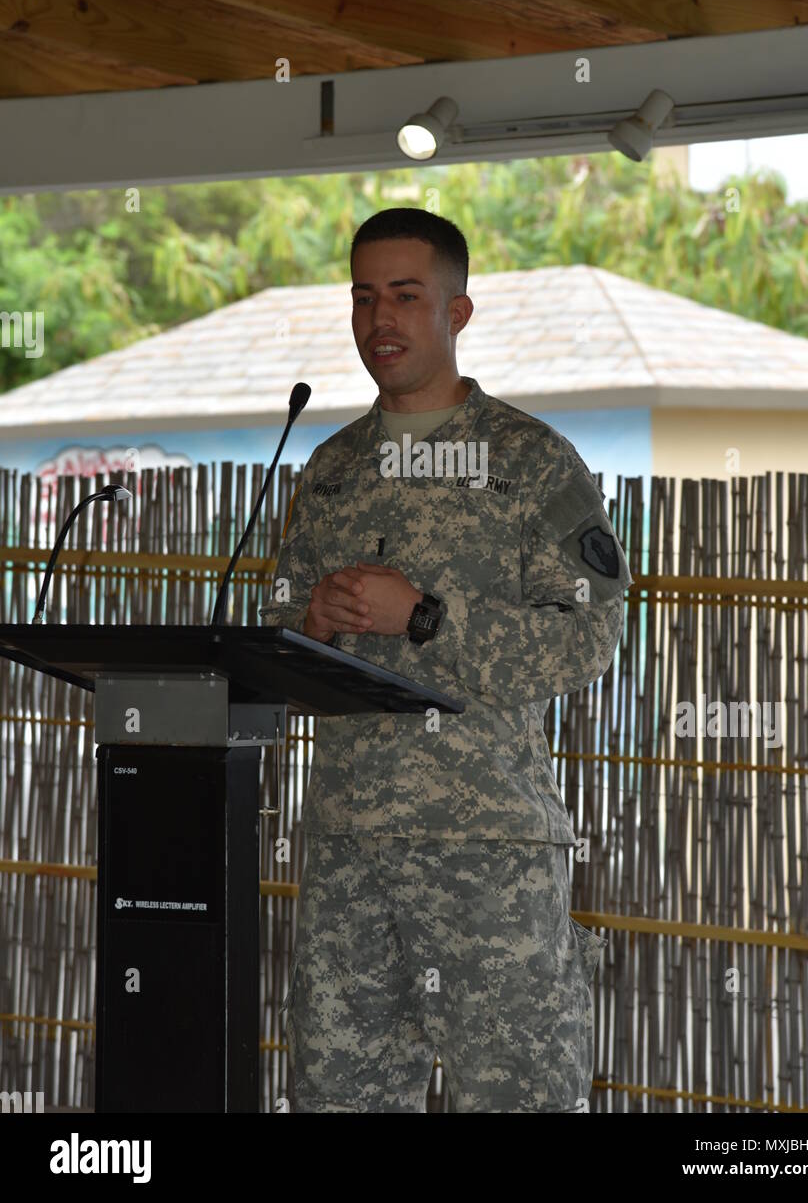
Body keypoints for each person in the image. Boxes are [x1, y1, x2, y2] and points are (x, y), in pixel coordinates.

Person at [260, 208, 632, 1112]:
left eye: (404, 295)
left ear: (456, 313)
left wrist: (423, 616)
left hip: (488, 855)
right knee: (334, 1101)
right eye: (362, 297)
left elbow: (589, 637)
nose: (378, 320)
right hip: (350, 851)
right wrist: (308, 619)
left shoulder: (531, 462)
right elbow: (274, 631)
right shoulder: (331, 468)